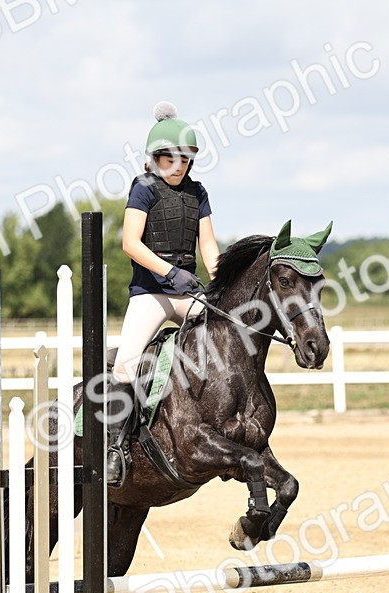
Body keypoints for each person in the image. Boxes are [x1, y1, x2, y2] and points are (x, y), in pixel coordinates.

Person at [106, 101, 221, 486]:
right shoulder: (143, 189)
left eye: (185, 161)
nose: (179, 167)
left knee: (225, 343)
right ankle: (113, 446)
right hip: (151, 293)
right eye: (171, 160)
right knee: (125, 366)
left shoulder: (198, 192)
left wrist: (218, 281)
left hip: (187, 293)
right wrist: (171, 271)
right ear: (156, 159)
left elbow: (208, 244)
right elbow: (130, 243)